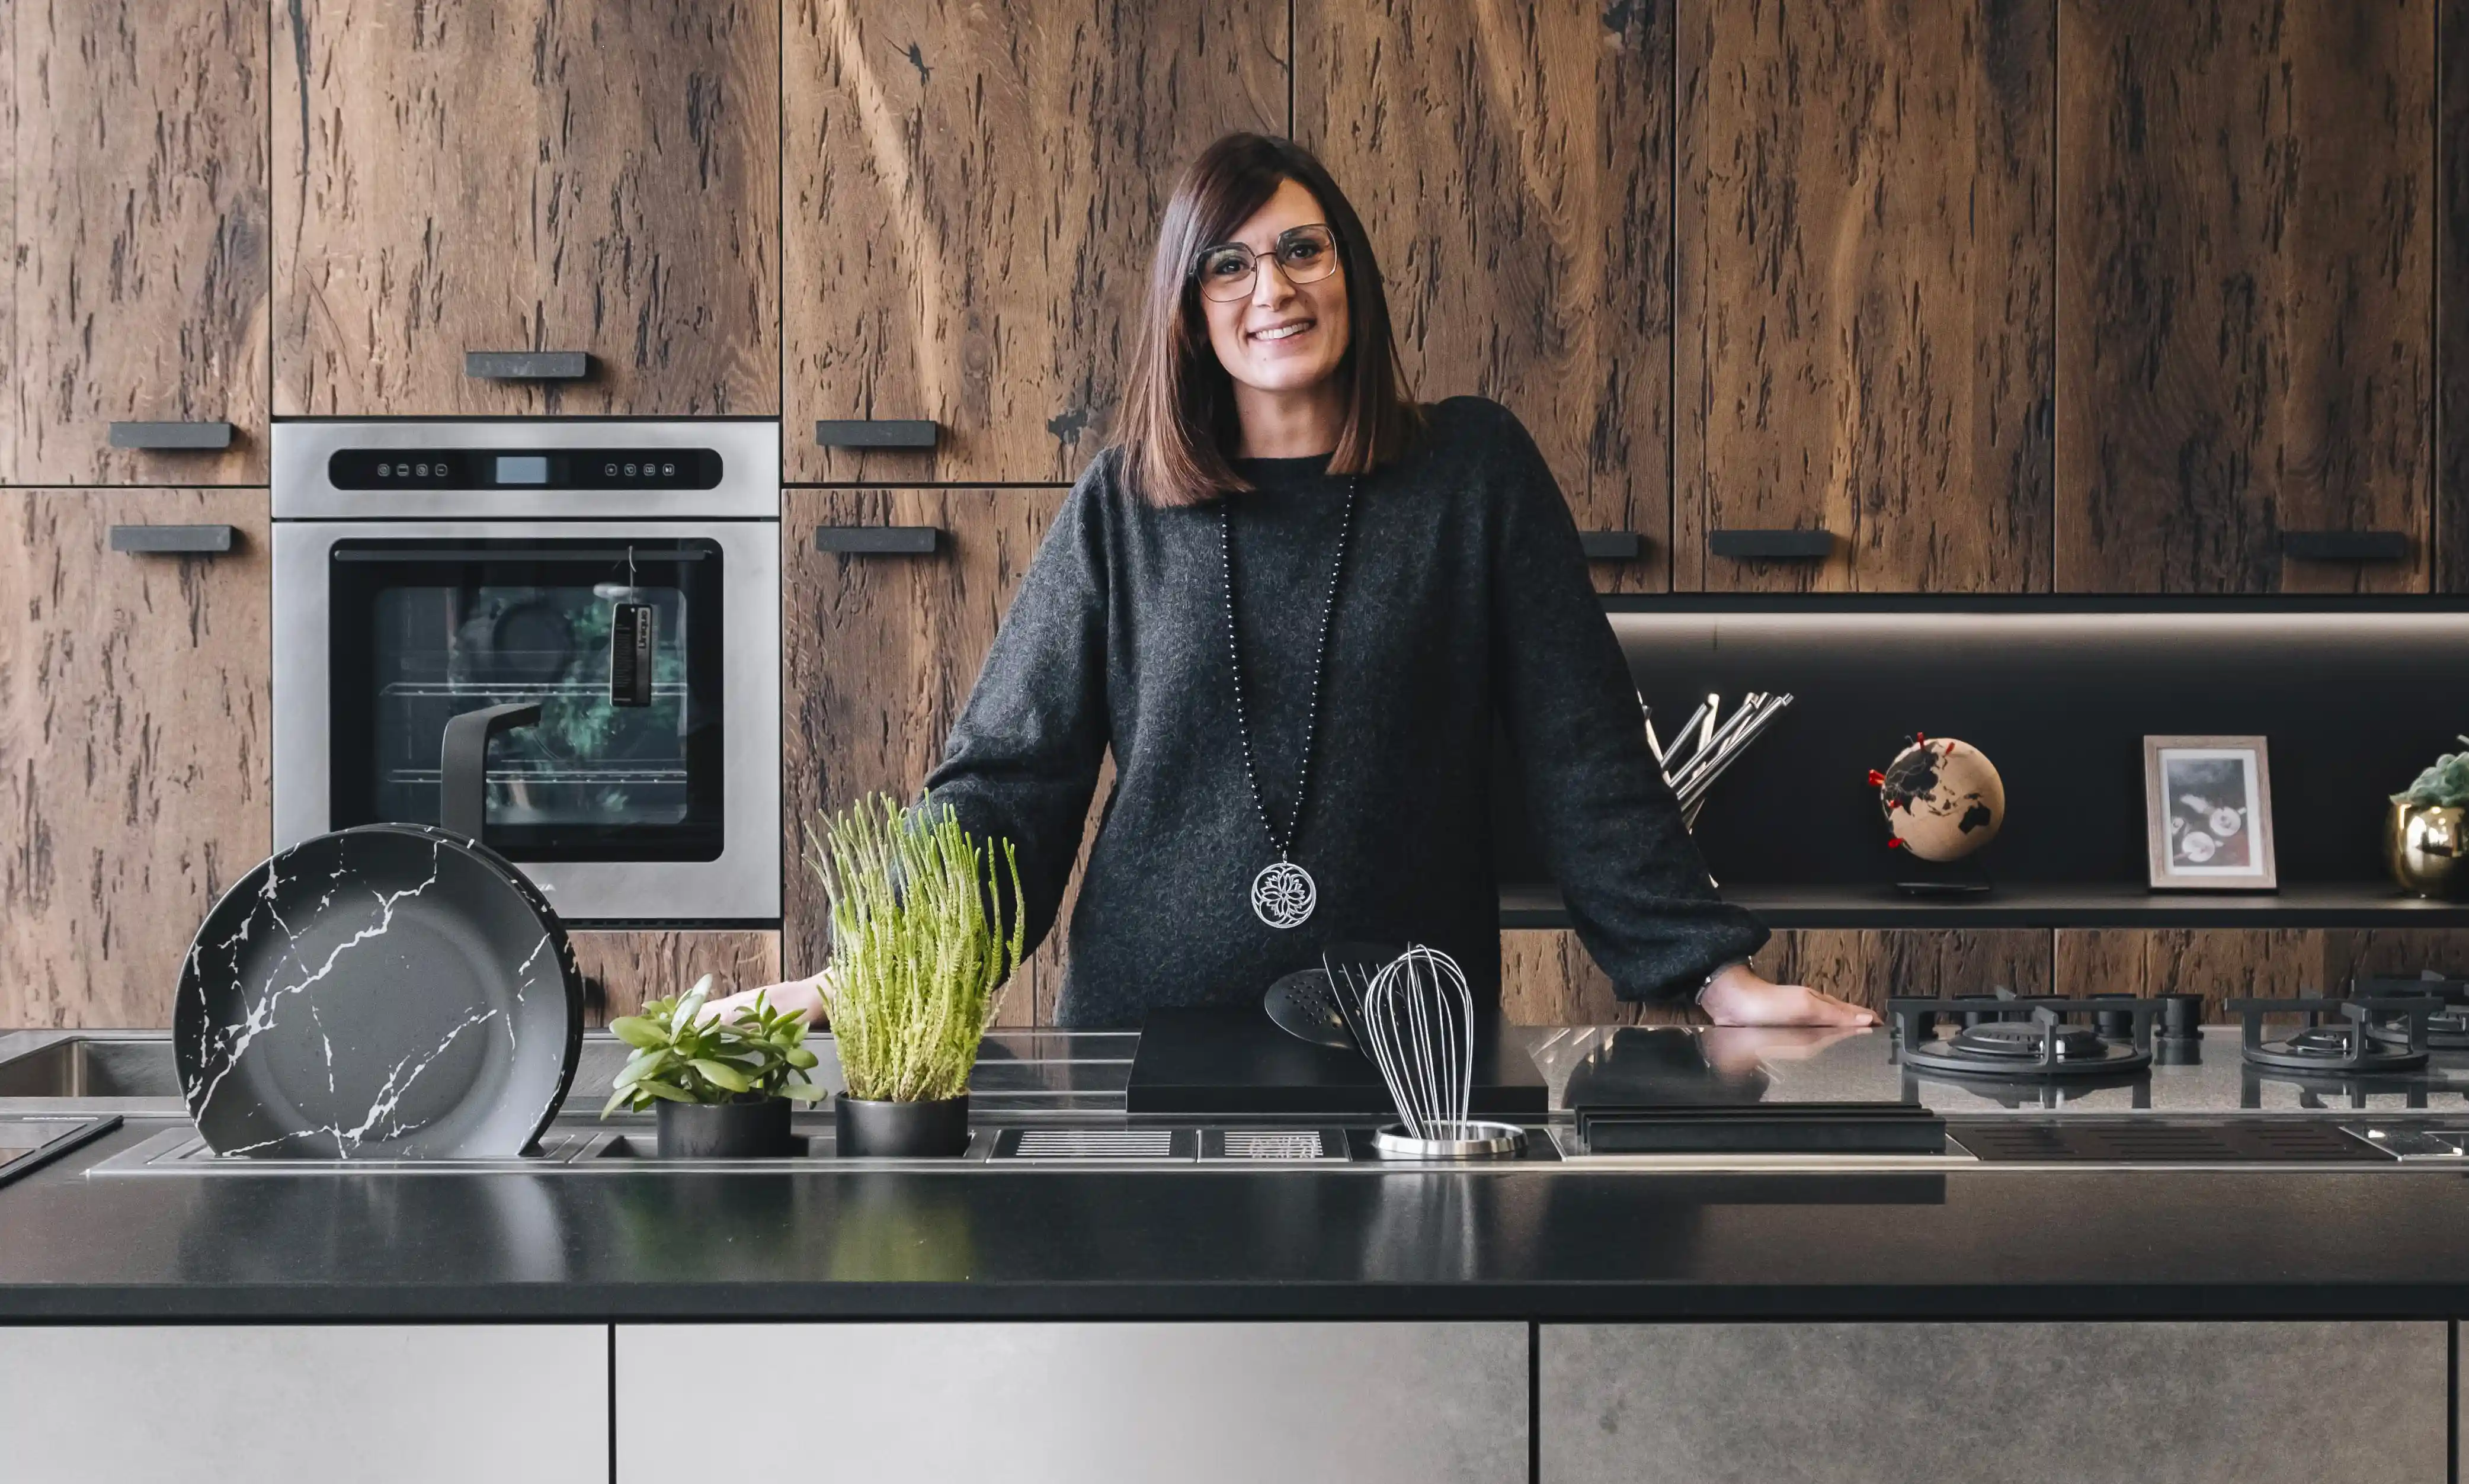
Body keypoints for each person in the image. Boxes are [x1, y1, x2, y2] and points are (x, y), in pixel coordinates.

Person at [738, 132, 1872, 1031]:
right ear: (1186, 311)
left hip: (1409, 1044)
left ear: (1351, 274)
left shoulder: (1472, 475)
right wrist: (868, 974)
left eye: (1300, 250)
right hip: (1146, 1039)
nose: (1268, 288)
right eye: (1225, 264)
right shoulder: (1124, 500)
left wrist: (1710, 974)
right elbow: (1007, 783)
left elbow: (1587, 756)